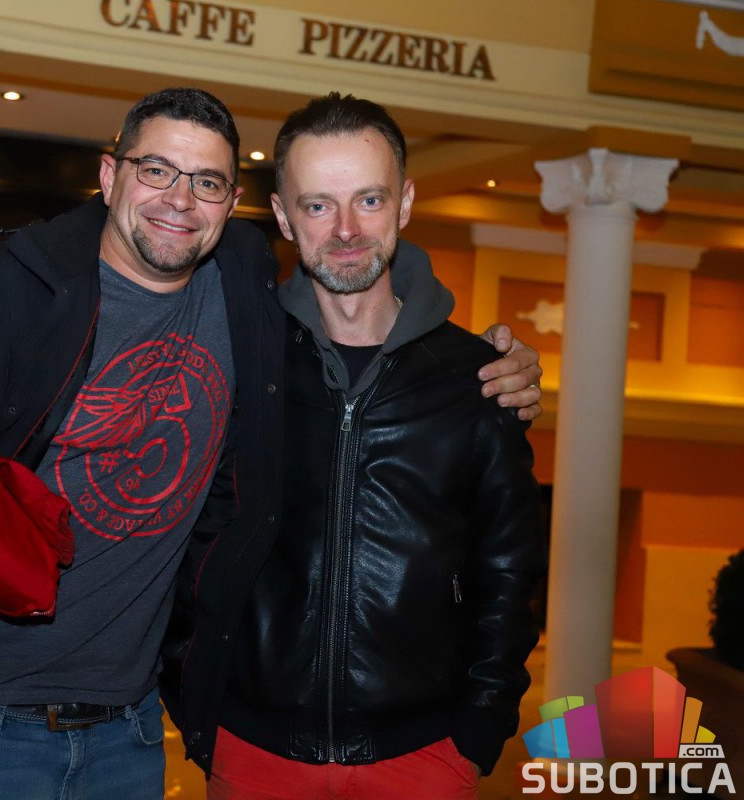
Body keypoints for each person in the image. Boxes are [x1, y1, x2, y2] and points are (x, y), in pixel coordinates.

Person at [0, 88, 542, 800]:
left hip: (137, 734)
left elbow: (508, 567)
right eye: (156, 170)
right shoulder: (35, 289)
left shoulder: (257, 305)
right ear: (109, 176)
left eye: (207, 182)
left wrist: (481, 727)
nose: (180, 200)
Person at [164, 93, 546, 800]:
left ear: (404, 204)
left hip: (424, 755)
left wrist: (479, 728)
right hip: (252, 748)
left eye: (368, 200)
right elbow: (180, 536)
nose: (345, 230)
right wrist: (197, 698)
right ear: (283, 217)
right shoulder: (236, 362)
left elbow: (509, 572)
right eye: (318, 205)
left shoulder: (478, 379)